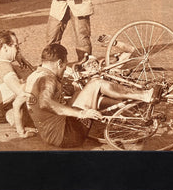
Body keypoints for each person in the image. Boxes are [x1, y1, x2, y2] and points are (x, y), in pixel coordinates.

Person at [12, 43, 163, 148]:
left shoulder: (34, 76)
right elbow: (46, 103)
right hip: (67, 136)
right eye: (64, 66)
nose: (64, 70)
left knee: (81, 91)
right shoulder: (49, 79)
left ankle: (127, 103)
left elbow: (17, 103)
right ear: (59, 63)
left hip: (52, 135)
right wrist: (82, 113)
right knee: (96, 83)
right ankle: (145, 96)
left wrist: (21, 131)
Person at [0, 30, 37, 137]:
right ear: (5, 47)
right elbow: (21, 93)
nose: (18, 50)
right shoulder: (4, 67)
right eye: (16, 46)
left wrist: (19, 57)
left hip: (14, 111)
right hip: (20, 114)